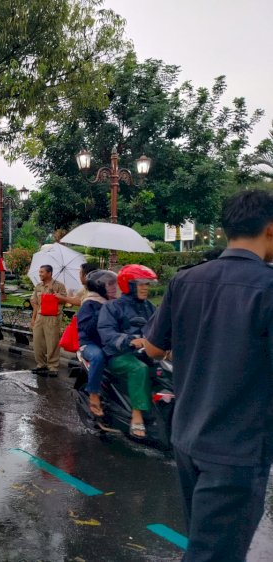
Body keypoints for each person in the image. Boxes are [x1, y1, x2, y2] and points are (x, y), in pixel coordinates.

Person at [144, 189, 273, 562]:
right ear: (269, 229)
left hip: (186, 435)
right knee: (214, 553)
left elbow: (153, 348)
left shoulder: (186, 280)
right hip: (237, 446)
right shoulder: (267, 288)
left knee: (204, 539)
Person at [97, 264, 157, 440]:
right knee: (139, 369)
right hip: (118, 355)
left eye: (147, 284)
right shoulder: (112, 307)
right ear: (128, 285)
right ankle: (137, 415)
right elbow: (107, 333)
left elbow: (162, 326)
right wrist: (131, 340)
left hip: (147, 352)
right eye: (142, 284)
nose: (146, 287)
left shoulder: (150, 307)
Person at [76, 270, 118, 417]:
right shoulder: (89, 304)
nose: (114, 287)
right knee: (98, 357)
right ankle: (93, 394)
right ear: (99, 286)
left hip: (110, 344)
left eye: (115, 284)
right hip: (89, 344)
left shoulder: (115, 303)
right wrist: (103, 311)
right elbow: (86, 330)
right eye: (110, 284)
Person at [30, 265, 67, 377]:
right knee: (37, 342)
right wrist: (33, 318)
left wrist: (52, 290)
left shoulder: (59, 286)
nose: (40, 274)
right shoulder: (38, 286)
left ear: (49, 273)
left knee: (52, 342)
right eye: (39, 272)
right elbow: (35, 302)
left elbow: (64, 301)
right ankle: (41, 365)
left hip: (53, 317)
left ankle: (53, 366)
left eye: (42, 272)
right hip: (40, 317)